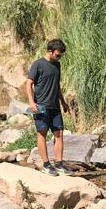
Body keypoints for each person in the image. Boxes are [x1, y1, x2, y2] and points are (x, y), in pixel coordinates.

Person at [26, 38, 72, 176]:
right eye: (58, 55)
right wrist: (31, 102)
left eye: (61, 55)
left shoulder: (57, 65)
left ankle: (59, 164)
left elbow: (57, 86)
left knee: (59, 134)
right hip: (41, 107)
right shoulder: (38, 64)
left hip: (55, 107)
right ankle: (46, 165)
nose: (59, 58)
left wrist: (63, 103)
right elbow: (28, 84)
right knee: (42, 134)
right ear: (50, 51)